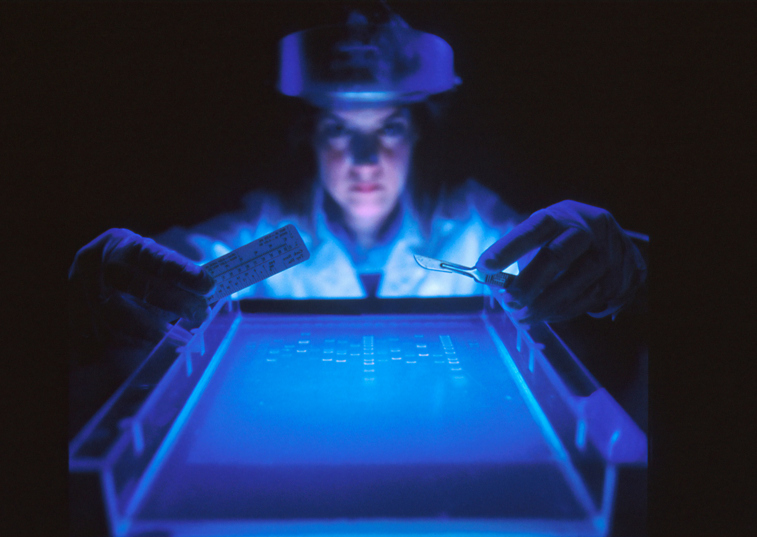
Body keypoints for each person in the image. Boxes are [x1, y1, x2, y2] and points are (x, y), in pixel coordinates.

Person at [68, 8, 647, 352]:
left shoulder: (471, 232)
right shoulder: (270, 243)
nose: (365, 159)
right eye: (341, 130)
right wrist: (103, 284)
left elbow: (579, 265)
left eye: (389, 127)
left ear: (419, 133)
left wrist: (627, 269)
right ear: (311, 137)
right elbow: (180, 273)